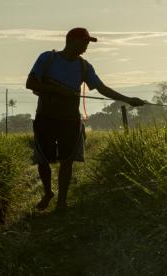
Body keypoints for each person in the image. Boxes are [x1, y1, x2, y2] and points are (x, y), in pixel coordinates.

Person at [25, 27, 145, 212]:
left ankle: (61, 202)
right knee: (43, 159)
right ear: (71, 41)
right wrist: (58, 90)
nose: (86, 46)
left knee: (67, 161)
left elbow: (102, 89)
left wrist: (128, 100)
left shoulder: (84, 67)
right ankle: (48, 192)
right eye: (84, 42)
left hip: (70, 120)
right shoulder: (47, 58)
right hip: (45, 117)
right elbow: (30, 84)